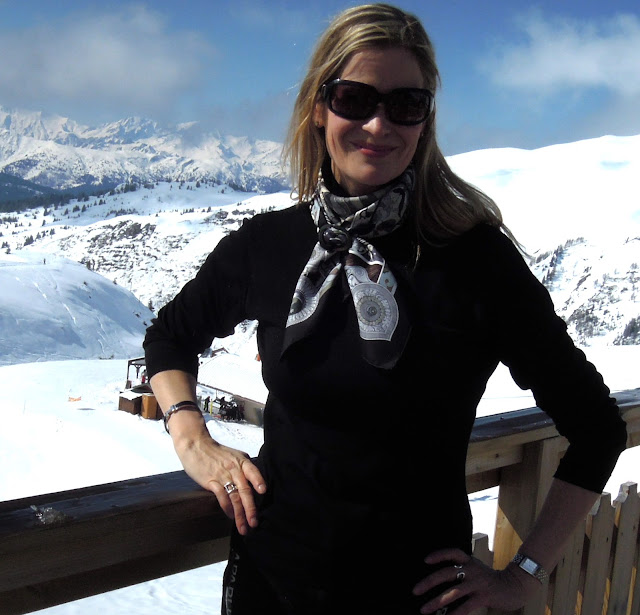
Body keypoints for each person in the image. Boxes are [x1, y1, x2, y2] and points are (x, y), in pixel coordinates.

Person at [143, 4, 627, 614]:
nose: (379, 124)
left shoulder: (476, 262)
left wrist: (524, 574)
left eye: (406, 104)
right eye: (355, 98)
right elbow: (170, 335)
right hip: (272, 583)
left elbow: (596, 427)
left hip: (416, 597)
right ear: (319, 108)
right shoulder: (267, 245)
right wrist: (191, 437)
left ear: (426, 121)